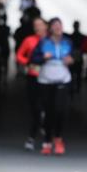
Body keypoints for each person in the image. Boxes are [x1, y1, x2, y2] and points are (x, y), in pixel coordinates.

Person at [31, 17, 74, 155]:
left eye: (59, 25)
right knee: (49, 111)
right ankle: (47, 140)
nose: (57, 27)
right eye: (54, 25)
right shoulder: (44, 42)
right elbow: (33, 58)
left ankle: (58, 138)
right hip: (46, 80)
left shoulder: (68, 42)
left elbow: (76, 58)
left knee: (60, 110)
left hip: (63, 79)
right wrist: (43, 58)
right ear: (50, 28)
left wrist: (71, 60)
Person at [16, 17, 47, 150]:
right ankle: (34, 132)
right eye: (35, 25)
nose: (37, 28)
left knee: (48, 107)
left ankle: (47, 136)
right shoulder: (29, 40)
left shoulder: (50, 41)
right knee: (35, 107)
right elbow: (19, 55)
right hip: (33, 76)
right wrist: (27, 63)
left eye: (40, 25)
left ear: (46, 26)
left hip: (48, 78)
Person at [69, 20, 86, 95]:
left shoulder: (70, 37)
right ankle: (77, 92)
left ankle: (73, 92)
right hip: (77, 59)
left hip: (74, 59)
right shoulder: (83, 37)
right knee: (77, 77)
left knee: (73, 76)